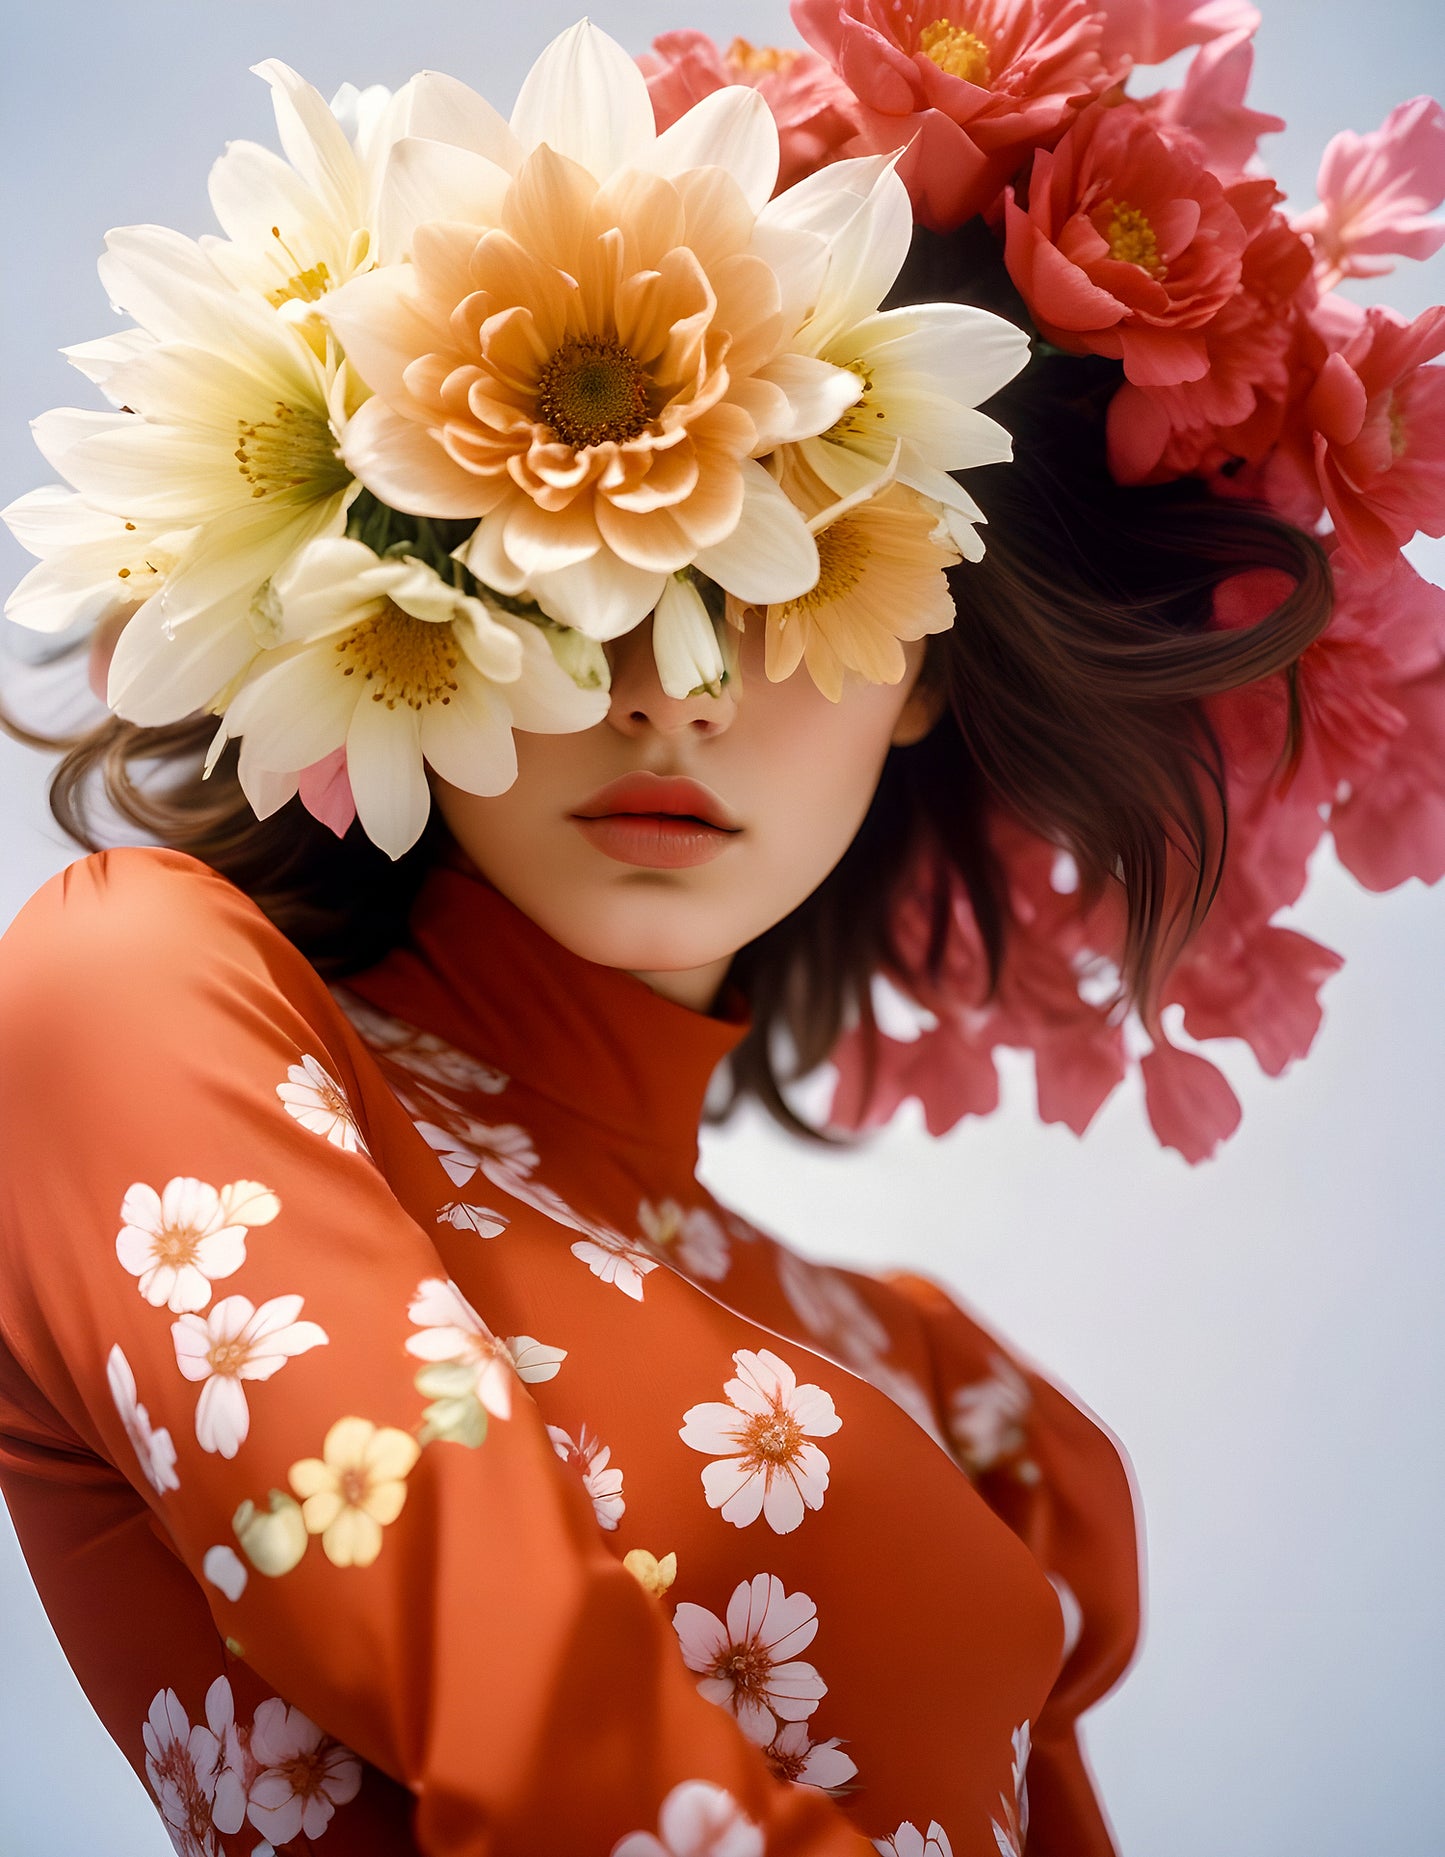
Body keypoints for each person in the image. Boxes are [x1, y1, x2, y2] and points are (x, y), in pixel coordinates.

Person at [0, 14, 1440, 1857]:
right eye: (571, 556)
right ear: (410, 563)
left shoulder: (949, 1385)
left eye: (795, 561)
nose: (672, 694)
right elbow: (541, 1749)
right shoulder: (128, 994)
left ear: (926, 661)